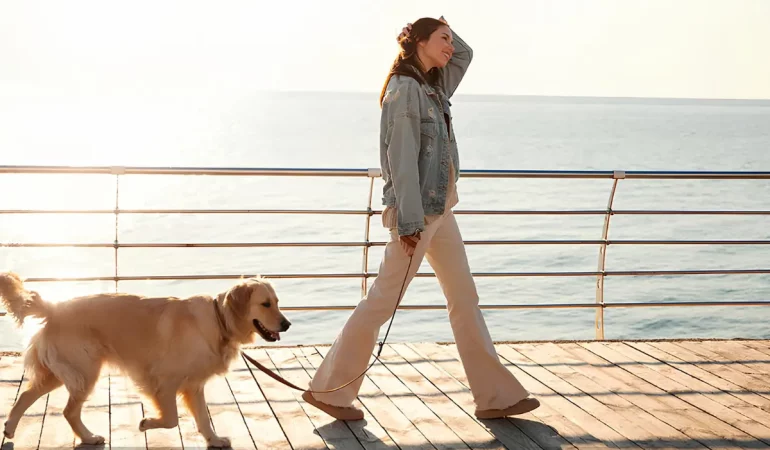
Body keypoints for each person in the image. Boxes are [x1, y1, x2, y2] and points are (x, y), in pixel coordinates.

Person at [302, 17, 540, 421]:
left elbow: (465, 54)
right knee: (381, 303)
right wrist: (408, 224)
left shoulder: (434, 85)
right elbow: (401, 162)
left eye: (449, 38)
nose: (451, 45)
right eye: (442, 39)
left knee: (464, 299)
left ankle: (495, 397)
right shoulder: (405, 90)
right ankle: (329, 391)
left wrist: (443, 27)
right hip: (418, 215)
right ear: (420, 44)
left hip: (440, 211)